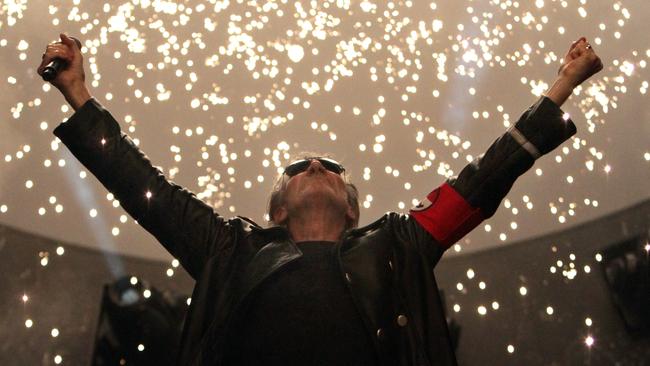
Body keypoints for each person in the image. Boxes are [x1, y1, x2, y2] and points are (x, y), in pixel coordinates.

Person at [38, 33, 602, 365]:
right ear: (276, 209)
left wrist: (563, 85)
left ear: (354, 209)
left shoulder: (398, 244)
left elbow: (485, 177)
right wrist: (78, 93)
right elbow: (147, 190)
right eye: (299, 167)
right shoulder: (227, 248)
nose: (314, 163)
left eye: (330, 168)